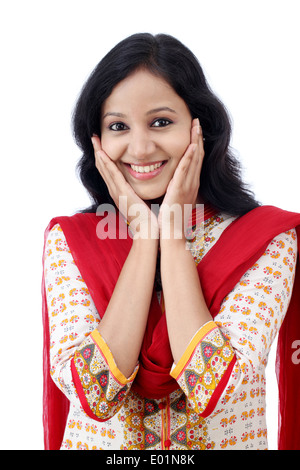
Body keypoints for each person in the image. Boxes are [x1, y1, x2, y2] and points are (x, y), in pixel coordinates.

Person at [42, 33, 300, 451]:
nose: (141, 148)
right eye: (118, 126)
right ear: (97, 141)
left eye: (161, 121)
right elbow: (94, 395)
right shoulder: (72, 242)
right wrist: (145, 239)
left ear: (201, 126)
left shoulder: (266, 239)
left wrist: (173, 240)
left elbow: (213, 385)